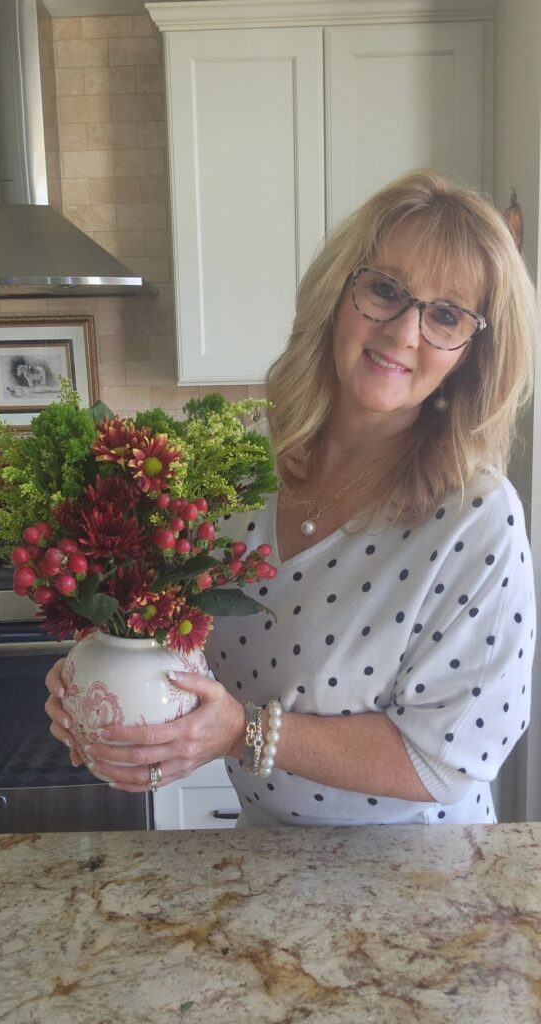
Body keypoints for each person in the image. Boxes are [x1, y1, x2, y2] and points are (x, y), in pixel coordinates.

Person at [45, 169, 537, 826]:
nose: (403, 332)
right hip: (270, 862)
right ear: (340, 293)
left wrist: (245, 733)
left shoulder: (478, 518)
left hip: (422, 891)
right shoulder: (238, 462)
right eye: (386, 290)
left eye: (446, 315)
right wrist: (95, 676)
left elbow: (452, 756)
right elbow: (164, 625)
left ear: (473, 353)